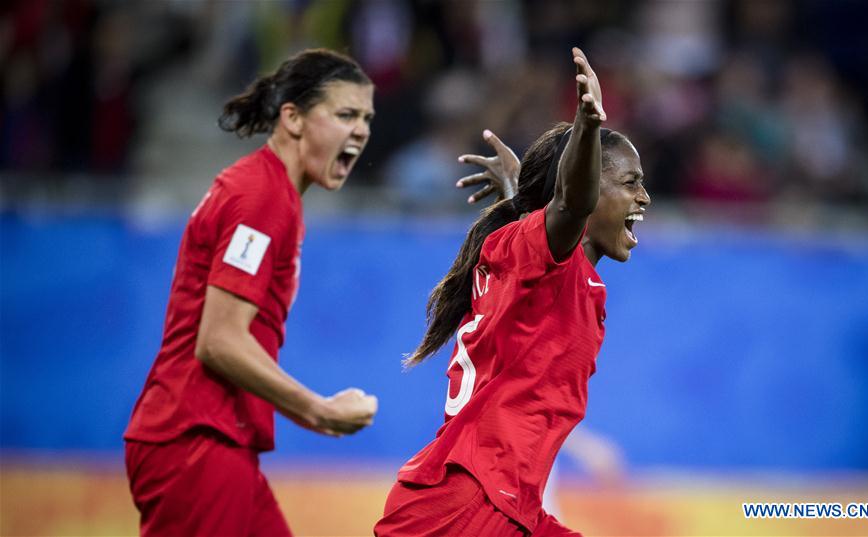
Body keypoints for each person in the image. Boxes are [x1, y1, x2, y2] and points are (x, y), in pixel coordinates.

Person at [374, 47, 650, 536]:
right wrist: (586, 128)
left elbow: (547, 232)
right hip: (468, 505)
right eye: (630, 183)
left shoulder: (553, 271)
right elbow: (567, 207)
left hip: (506, 503)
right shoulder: (544, 253)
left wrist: (515, 195)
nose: (644, 198)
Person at [124, 48, 379, 537]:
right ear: (293, 118)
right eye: (346, 114)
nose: (362, 130)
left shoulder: (270, 193)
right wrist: (318, 409)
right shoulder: (260, 199)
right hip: (196, 439)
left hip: (216, 437)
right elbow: (218, 339)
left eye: (366, 117)